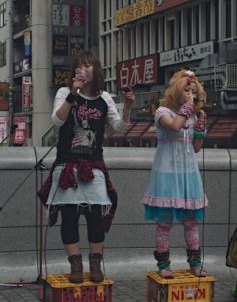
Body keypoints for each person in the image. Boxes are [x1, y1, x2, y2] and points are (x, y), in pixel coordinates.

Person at [37, 51, 134, 283]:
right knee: (69, 216)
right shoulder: (64, 93)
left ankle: (95, 263)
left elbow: (119, 127)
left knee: (95, 216)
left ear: (96, 70)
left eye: (88, 65)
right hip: (68, 162)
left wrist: (128, 107)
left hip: (93, 164)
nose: (84, 69)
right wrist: (73, 94)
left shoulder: (104, 98)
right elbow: (57, 121)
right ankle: (76, 266)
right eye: (80, 66)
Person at [143, 69, 209, 278]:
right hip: (167, 174)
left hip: (188, 173)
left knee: (191, 222)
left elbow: (196, 147)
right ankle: (164, 265)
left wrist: (199, 128)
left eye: (193, 90)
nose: (191, 94)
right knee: (164, 222)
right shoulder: (163, 112)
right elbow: (173, 127)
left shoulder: (192, 115)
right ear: (176, 91)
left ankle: (196, 263)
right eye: (186, 90)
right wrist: (187, 110)